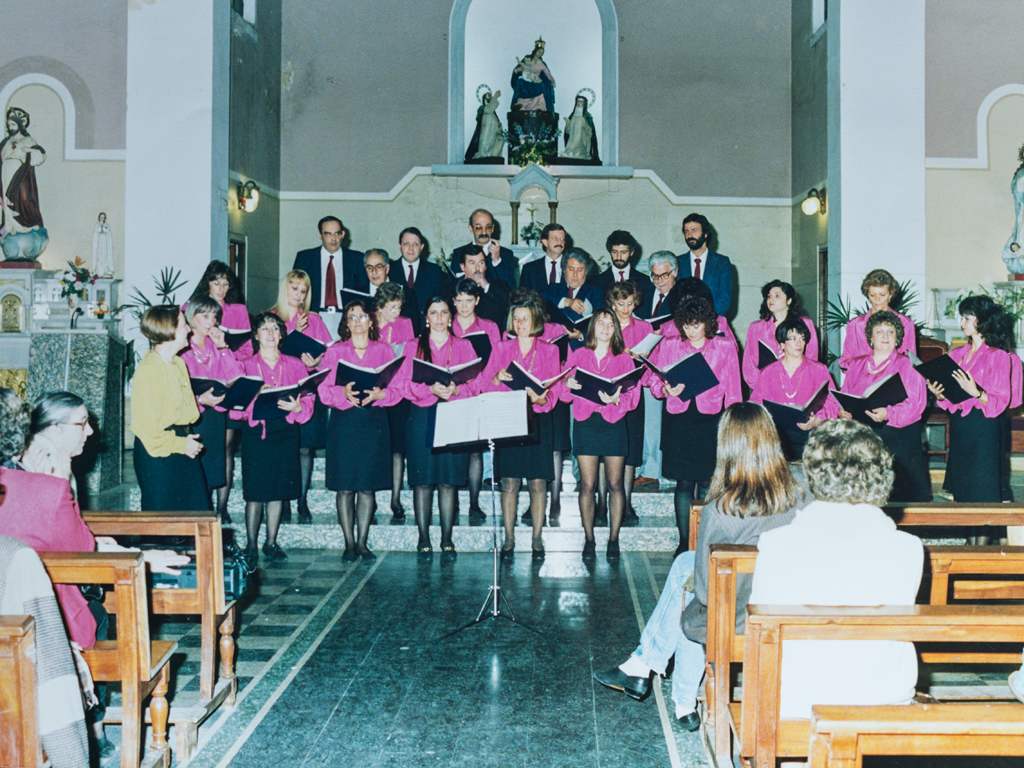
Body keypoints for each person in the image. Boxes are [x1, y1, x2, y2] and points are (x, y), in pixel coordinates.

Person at [593, 402, 807, 729]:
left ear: (727, 446)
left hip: (740, 616)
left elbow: (706, 593)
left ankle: (660, 680)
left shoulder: (722, 508)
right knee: (683, 567)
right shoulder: (802, 487)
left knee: (688, 595)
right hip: (789, 601)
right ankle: (668, 690)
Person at [0, 393, 188, 760]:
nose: (90, 432)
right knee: (95, 615)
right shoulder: (45, 487)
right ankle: (90, 728)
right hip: (39, 621)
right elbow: (81, 551)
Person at [749, 419, 924, 718]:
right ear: (881, 473)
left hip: (799, 696)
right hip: (883, 694)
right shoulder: (908, 547)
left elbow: (760, 634)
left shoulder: (776, 543)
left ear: (813, 474)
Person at [646, 297, 741, 554]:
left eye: (696, 325)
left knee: (710, 482)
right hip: (679, 419)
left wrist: (734, 424)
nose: (690, 331)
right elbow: (652, 378)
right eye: (686, 326)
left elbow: (733, 387)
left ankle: (705, 541)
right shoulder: (670, 345)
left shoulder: (724, 346)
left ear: (708, 323)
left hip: (711, 419)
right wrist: (665, 388)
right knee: (684, 484)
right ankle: (684, 543)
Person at [398, 296, 481, 558]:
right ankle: (423, 538)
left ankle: (447, 538)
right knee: (423, 482)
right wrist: (429, 389)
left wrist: (457, 389)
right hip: (422, 416)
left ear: (451, 316)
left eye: (444, 312)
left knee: (448, 481)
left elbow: (476, 384)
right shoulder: (413, 346)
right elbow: (402, 384)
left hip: (454, 415)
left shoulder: (464, 345)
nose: (439, 318)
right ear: (426, 317)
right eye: (433, 313)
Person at [318, 300, 401, 560]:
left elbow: (397, 389)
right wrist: (341, 392)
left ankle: (363, 543)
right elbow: (322, 390)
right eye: (351, 316)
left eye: (362, 316)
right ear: (346, 322)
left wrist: (382, 393)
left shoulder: (384, 350)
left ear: (370, 321)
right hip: (344, 424)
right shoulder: (335, 351)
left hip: (373, 422)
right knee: (345, 487)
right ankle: (349, 543)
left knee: (367, 487)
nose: (356, 321)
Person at [230, 312, 315, 564]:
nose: (269, 334)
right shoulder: (244, 366)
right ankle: (251, 545)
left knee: (277, 490)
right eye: (264, 329)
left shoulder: (295, 365)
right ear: (256, 335)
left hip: (285, 431)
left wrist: (299, 408)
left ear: (281, 334)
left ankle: (271, 542)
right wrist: (253, 397)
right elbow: (235, 410)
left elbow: (308, 397)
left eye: (275, 329)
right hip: (257, 432)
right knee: (255, 492)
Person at [486, 295, 562, 560]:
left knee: (538, 482)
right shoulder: (501, 347)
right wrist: (496, 377)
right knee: (509, 482)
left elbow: (556, 389)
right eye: (516, 318)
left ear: (535, 321)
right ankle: (508, 540)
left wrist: (543, 398)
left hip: (538, 419)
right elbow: (486, 382)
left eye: (525, 318)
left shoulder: (550, 350)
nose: (519, 323)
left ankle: (537, 539)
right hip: (508, 418)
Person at [927, 295, 1014, 523]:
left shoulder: (999, 356)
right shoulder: (956, 355)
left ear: (983, 321)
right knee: (963, 491)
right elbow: (950, 400)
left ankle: (982, 548)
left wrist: (976, 392)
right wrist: (940, 393)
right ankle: (969, 542)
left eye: (967, 317)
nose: (961, 322)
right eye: (961, 317)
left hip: (983, 428)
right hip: (960, 427)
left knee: (983, 492)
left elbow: (1001, 400)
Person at [562, 308, 641, 560]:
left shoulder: (624, 358)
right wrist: (568, 385)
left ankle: (613, 540)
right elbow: (562, 393)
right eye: (601, 322)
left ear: (615, 329)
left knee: (616, 484)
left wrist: (619, 399)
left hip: (613, 423)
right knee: (587, 484)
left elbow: (633, 396)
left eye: (610, 323)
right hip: (586, 423)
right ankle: (589, 539)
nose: (606, 327)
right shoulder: (577, 355)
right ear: (592, 327)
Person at [839, 310, 930, 501]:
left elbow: (917, 403)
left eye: (890, 331)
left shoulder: (908, 365)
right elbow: (845, 394)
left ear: (898, 338)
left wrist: (888, 413)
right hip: (864, 437)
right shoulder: (856, 365)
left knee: (898, 498)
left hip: (898, 437)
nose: (885, 336)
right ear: (870, 338)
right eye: (879, 331)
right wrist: (843, 411)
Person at [131, 305, 209, 511]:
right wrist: (181, 445)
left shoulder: (178, 363)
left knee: (193, 514)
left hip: (182, 443)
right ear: (169, 330)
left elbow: (188, 413)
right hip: (159, 453)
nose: (189, 330)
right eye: (184, 324)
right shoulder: (149, 371)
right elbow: (146, 430)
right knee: (165, 522)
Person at [272, 270, 331, 524]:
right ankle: (284, 500)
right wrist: (292, 331)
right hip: (282, 387)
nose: (298, 295)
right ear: (286, 289)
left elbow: (328, 352)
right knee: (286, 447)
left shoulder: (314, 319)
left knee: (306, 448)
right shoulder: (272, 316)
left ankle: (302, 500)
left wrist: (317, 360)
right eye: (294, 289)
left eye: (303, 291)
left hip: (307, 387)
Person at [180, 296, 247, 521]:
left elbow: (236, 376)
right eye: (205, 316)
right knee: (193, 477)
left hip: (216, 417)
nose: (212, 321)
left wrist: (223, 347)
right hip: (192, 417)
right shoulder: (182, 347)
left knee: (210, 476)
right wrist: (200, 400)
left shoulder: (214, 345)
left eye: (215, 316)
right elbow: (176, 391)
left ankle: (206, 522)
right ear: (191, 317)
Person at [451, 276, 503, 522]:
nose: (463, 306)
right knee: (451, 451)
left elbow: (496, 361)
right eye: (459, 301)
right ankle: (451, 503)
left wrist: (480, 386)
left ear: (477, 300)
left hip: (478, 392)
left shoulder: (489, 327)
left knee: (475, 451)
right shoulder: (445, 324)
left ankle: (474, 502)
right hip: (451, 394)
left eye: (468, 301)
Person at [750, 317, 838, 460]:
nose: (799, 343)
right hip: (776, 438)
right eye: (793, 338)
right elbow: (756, 403)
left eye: (802, 338)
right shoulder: (768, 372)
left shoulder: (819, 369)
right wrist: (767, 416)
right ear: (781, 344)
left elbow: (833, 403)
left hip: (811, 437)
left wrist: (817, 420)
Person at [604, 281, 652, 526]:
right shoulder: (604, 323)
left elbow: (650, 364)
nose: (626, 308)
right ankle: (603, 503)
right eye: (621, 303)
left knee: (631, 450)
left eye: (630, 303)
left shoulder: (644, 327)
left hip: (632, 391)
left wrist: (639, 359)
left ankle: (627, 503)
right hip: (607, 393)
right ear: (613, 303)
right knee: (608, 448)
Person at [376, 281, 417, 520]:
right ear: (380, 306)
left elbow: (409, 356)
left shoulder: (406, 324)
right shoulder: (368, 322)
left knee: (398, 449)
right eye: (392, 308)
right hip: (373, 391)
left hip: (398, 392)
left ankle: (395, 497)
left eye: (399, 307)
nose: (397, 313)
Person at [743, 280, 820, 390]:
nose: (771, 299)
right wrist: (763, 386)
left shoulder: (805, 323)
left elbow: (812, 359)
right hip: (766, 389)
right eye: (769, 296)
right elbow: (749, 366)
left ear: (789, 301)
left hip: (798, 387)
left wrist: (799, 385)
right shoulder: (756, 328)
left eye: (777, 296)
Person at [20, 391, 94, 499]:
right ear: (53, 429)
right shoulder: (49, 463)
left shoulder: (38, 450)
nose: (90, 431)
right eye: (82, 424)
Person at [838, 269, 916, 369]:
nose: (877, 299)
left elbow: (911, 361)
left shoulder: (905, 323)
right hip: (863, 380)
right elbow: (845, 361)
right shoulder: (855, 324)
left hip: (893, 378)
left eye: (882, 295)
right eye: (872, 295)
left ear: (890, 295)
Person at [292, 216, 366, 312]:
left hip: (347, 317)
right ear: (320, 235)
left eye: (337, 234)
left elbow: (364, 292)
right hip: (313, 315)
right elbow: (294, 291)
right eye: (328, 234)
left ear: (343, 234)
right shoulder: (304, 258)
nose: (333, 239)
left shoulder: (357, 259)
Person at [543, 247, 604, 347]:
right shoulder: (553, 288)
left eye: (580, 270)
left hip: (581, 350)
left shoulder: (596, 293)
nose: (575, 275)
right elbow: (540, 301)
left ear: (586, 271)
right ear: (564, 270)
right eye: (571, 269)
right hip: (552, 349)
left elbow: (602, 327)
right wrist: (566, 302)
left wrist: (581, 335)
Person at [0, 107, 46, 236]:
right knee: (6, 199)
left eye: (13, 124)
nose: (11, 127)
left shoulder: (28, 140)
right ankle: (10, 225)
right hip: (5, 172)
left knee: (24, 197)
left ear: (20, 125)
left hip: (20, 171)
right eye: (9, 125)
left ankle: (29, 223)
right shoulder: (6, 142)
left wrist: (29, 150)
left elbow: (40, 155)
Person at [677, 213, 733, 316]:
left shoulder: (721, 263)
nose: (690, 235)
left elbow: (725, 297)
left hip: (712, 322)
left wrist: (707, 320)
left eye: (694, 230)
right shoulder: (678, 262)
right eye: (686, 231)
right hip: (684, 323)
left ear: (705, 233)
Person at [450, 209, 519, 288]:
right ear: (471, 229)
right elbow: (452, 286)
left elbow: (511, 287)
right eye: (478, 227)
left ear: (493, 228)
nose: (484, 232)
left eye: (488, 227)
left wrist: (497, 261)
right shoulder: (459, 253)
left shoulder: (505, 254)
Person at [391, 226, 449, 318]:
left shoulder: (434, 271)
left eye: (415, 244)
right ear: (400, 246)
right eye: (406, 244)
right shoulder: (390, 270)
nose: (411, 248)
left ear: (421, 247)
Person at [591, 230, 654, 309]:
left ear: (631, 252)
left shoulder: (645, 281)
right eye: (614, 252)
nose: (619, 257)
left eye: (623, 252)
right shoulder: (596, 282)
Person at [364, 248, 420, 333]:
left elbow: (412, 328)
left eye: (379, 267)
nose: (374, 272)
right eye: (369, 268)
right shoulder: (357, 294)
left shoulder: (406, 293)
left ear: (387, 268)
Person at [455, 246, 510, 326]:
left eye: (481, 263)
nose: (477, 268)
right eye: (472, 263)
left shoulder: (499, 285)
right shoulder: (451, 287)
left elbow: (510, 308)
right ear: (462, 267)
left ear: (486, 266)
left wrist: (487, 286)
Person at [519, 223, 568, 292]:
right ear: (545, 242)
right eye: (555, 238)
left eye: (562, 238)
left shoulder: (571, 266)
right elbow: (523, 297)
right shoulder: (529, 269)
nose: (560, 242)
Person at [510, 37, 555, 112]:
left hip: (536, 81)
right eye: (539, 51)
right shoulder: (527, 60)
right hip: (526, 80)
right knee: (520, 82)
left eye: (541, 52)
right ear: (535, 51)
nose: (540, 53)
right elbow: (518, 69)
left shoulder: (542, 64)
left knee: (542, 87)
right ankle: (520, 104)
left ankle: (539, 106)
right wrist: (516, 71)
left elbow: (547, 74)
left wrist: (551, 81)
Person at [466, 90, 504, 161]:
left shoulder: (493, 113)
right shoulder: (484, 109)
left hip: (492, 135)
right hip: (486, 135)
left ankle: (492, 156)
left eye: (490, 96)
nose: (490, 98)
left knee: (500, 139)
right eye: (488, 96)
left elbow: (495, 124)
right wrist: (495, 97)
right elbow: (489, 109)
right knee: (484, 149)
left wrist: (499, 125)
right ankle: (485, 155)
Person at [561, 93, 599, 161]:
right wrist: (568, 123)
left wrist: (588, 131)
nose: (579, 103)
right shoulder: (572, 115)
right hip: (573, 138)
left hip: (582, 138)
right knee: (571, 148)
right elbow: (568, 131)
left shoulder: (587, 116)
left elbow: (590, 129)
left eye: (581, 102)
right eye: (578, 101)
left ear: (584, 104)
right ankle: (570, 153)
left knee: (580, 151)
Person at [92, 211, 113, 277]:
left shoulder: (106, 225)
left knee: (104, 257)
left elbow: (108, 233)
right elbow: (96, 232)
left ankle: (105, 270)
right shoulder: (97, 225)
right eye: (101, 217)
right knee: (98, 257)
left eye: (104, 217)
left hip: (104, 244)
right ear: (99, 217)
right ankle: (98, 271)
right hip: (98, 244)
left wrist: (104, 231)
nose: (102, 219)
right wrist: (99, 231)